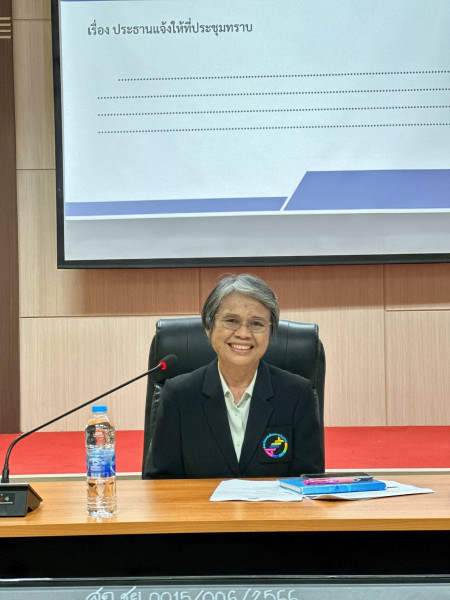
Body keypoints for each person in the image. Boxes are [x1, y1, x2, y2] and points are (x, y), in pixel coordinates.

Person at [143, 274, 324, 479]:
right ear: (208, 326)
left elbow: (309, 483)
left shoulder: (297, 394)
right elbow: (160, 483)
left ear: (271, 332)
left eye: (257, 324)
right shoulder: (179, 395)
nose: (243, 334)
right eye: (231, 321)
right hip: (200, 502)